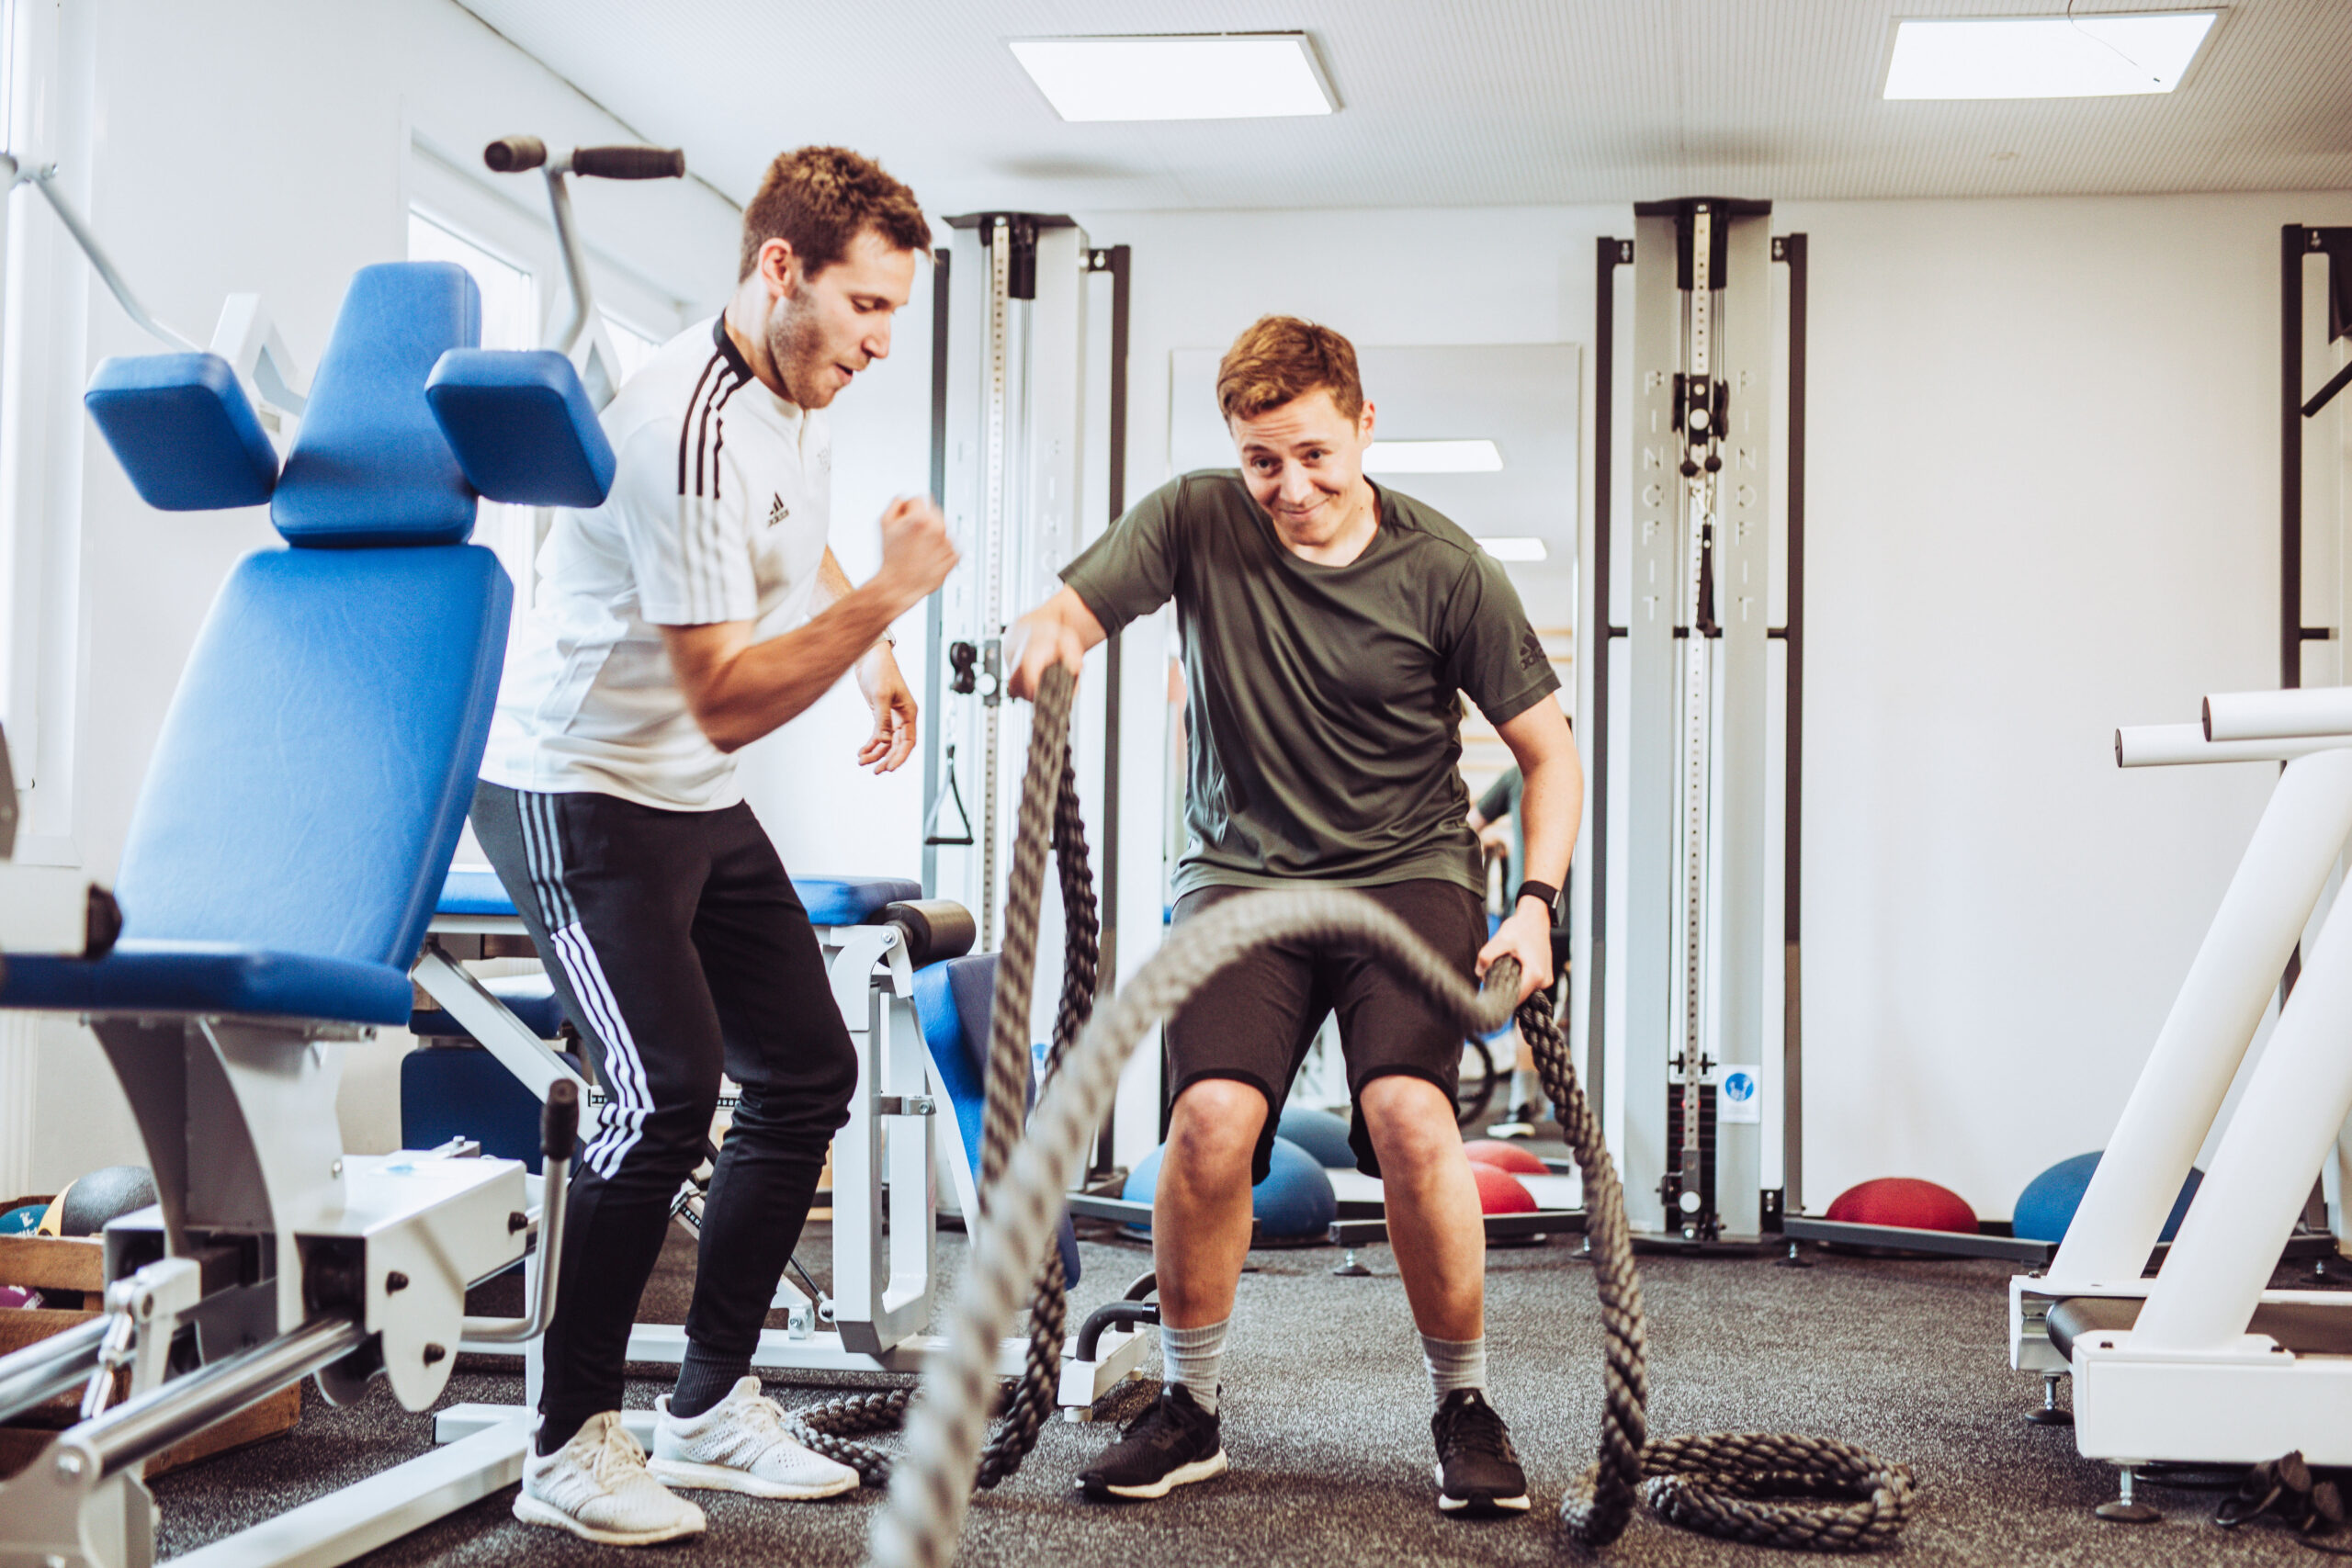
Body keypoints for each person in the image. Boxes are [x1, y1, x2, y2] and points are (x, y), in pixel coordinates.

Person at [1006, 315, 1583, 1517]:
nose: (1292, 486)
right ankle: (1188, 1408)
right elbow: (1067, 613)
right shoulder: (1197, 518)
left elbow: (1548, 753)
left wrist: (1535, 905)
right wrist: (1044, 641)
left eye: (1316, 454)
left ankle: (1464, 1406)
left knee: (1410, 1116)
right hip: (1241, 874)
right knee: (1209, 1124)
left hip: (1406, 870)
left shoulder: (1447, 568)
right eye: (1264, 458)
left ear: (1366, 427)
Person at [473, 146, 956, 1547]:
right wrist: (881, 607)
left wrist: (865, 643)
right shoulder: (676, 426)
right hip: (580, 788)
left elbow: (783, 543)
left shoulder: (792, 390)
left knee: (806, 1070)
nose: (876, 342)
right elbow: (732, 694)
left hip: (686, 790)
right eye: (864, 307)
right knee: (662, 1095)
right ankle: (564, 1443)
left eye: (894, 315)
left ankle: (704, 1407)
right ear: (779, 270)